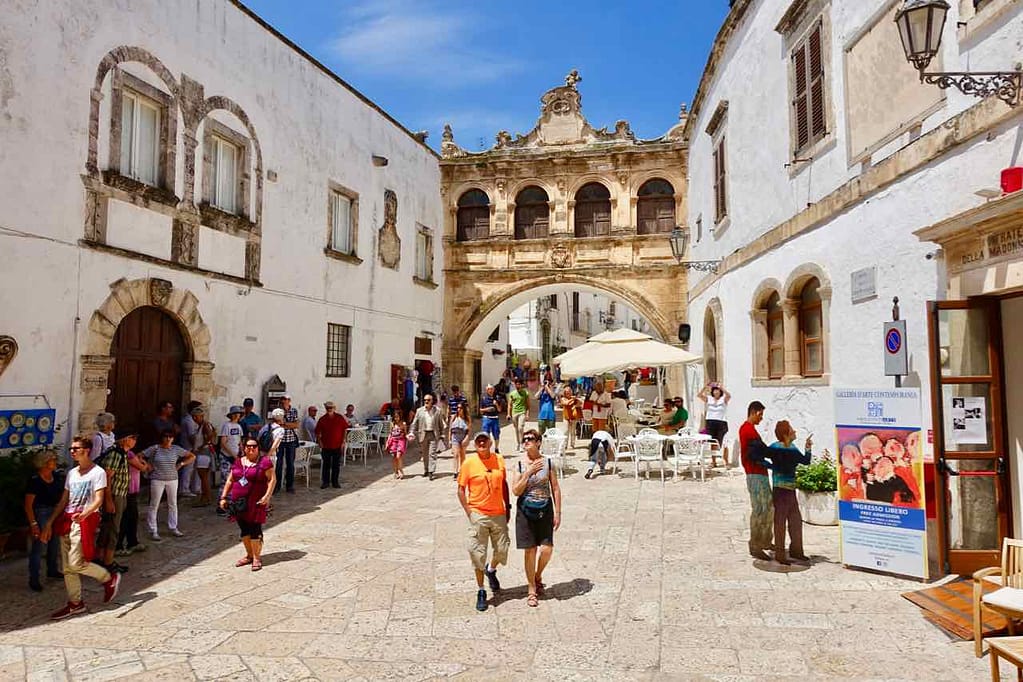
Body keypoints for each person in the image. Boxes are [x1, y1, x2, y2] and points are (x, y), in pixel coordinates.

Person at [40, 436, 121, 620]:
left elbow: (98, 499)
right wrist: (50, 522)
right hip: (68, 519)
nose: (72, 451)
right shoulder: (72, 473)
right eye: (71, 448)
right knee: (68, 567)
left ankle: (108, 578)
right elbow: (64, 500)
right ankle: (75, 604)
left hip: (84, 519)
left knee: (77, 562)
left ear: (87, 450)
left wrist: (85, 513)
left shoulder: (98, 472)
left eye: (76, 448)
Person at [457, 432, 510, 612]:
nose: (481, 443)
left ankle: (492, 569)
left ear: (490, 442)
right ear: (475, 444)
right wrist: (469, 512)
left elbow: (504, 484)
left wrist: (508, 506)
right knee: (477, 553)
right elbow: (461, 490)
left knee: (502, 550)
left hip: (498, 513)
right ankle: (481, 590)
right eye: (478, 440)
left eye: (484, 440)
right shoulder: (469, 463)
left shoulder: (499, 459)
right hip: (478, 513)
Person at [512, 429, 562, 607]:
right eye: (524, 439)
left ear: (539, 442)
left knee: (547, 549)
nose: (526, 441)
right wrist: (528, 472)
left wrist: (558, 512)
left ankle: (538, 574)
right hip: (526, 510)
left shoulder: (548, 462)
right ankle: (531, 588)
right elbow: (516, 490)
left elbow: (555, 487)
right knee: (530, 550)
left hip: (545, 509)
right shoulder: (519, 463)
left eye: (530, 439)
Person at [219, 437, 276, 571]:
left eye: (254, 446)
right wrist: (223, 497)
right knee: (244, 529)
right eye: (248, 446)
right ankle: (249, 555)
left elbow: (272, 480)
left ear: (258, 448)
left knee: (255, 529)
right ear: (244, 448)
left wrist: (267, 496)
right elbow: (230, 480)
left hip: (256, 502)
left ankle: (256, 558)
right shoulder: (239, 462)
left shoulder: (264, 462)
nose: (251, 448)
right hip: (238, 502)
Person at [765, 421, 812, 565]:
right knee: (786, 523)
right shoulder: (786, 448)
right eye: (792, 429)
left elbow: (804, 461)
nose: (795, 431)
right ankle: (783, 554)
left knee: (792, 521)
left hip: (787, 490)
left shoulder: (787, 448)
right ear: (786, 434)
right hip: (782, 491)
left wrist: (771, 466)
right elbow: (806, 461)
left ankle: (795, 551)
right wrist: (808, 450)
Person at [142, 429, 195, 541]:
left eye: (170, 437)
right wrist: (147, 466)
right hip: (157, 479)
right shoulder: (155, 449)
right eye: (166, 436)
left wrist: (181, 463)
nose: (168, 439)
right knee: (154, 504)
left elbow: (191, 456)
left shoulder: (176, 449)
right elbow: (139, 456)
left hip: (172, 479)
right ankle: (153, 529)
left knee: (173, 503)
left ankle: (173, 526)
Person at [95, 428, 134, 574]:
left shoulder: (121, 454)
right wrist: (109, 500)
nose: (134, 441)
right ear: (125, 439)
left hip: (120, 494)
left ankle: (99, 556)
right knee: (113, 528)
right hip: (115, 495)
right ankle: (108, 560)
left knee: (107, 527)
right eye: (132, 437)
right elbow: (107, 477)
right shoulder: (116, 454)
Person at [24, 450, 63, 592]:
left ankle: (52, 570)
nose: (55, 462)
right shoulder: (35, 480)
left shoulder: (56, 476)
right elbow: (28, 504)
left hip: (55, 511)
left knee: (54, 544)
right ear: (45, 462)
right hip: (40, 512)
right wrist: (33, 523)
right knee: (39, 546)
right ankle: (34, 579)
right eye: (53, 459)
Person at [739, 401, 772, 561]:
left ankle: (765, 540)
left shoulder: (751, 430)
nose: (761, 418)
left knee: (768, 507)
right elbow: (759, 450)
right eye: (760, 415)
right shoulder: (747, 430)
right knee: (759, 508)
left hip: (760, 473)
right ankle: (755, 545)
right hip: (755, 474)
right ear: (754, 412)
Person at [117, 438, 150, 556]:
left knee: (131, 517)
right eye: (133, 439)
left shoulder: (126, 453)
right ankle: (119, 545)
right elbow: (142, 467)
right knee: (126, 518)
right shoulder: (128, 454)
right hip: (128, 489)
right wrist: (144, 463)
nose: (135, 441)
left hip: (132, 489)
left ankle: (132, 542)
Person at [409, 394, 446, 480]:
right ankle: (426, 469)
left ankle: (431, 471)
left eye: (428, 400)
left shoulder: (437, 411)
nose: (426, 401)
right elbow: (414, 423)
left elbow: (441, 424)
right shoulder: (419, 411)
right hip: (423, 434)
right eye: (425, 400)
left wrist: (442, 435)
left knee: (432, 453)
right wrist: (411, 432)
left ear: (432, 401)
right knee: (425, 454)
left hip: (433, 434)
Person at [314, 401, 346, 489]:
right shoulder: (322, 419)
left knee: (336, 465)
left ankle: (335, 482)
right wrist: (320, 442)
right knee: (326, 465)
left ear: (334, 408)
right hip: (326, 446)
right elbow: (317, 432)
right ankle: (326, 482)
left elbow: (344, 429)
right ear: (326, 409)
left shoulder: (340, 418)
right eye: (328, 408)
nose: (329, 409)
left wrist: (343, 441)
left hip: (337, 445)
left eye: (331, 408)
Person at [699, 383, 731, 464]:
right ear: (712, 392)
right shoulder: (709, 399)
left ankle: (726, 461)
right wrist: (705, 387)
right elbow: (699, 395)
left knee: (724, 442)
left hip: (721, 422)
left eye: (718, 390)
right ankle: (714, 462)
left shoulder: (723, 399)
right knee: (712, 442)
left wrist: (722, 388)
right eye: (715, 390)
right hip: (710, 422)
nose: (716, 392)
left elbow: (729, 395)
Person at [219, 406, 245, 488]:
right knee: (226, 479)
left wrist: (242, 451)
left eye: (238, 413)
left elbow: (239, 441)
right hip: (226, 456)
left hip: (236, 456)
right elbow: (223, 443)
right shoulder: (227, 426)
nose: (237, 415)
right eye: (235, 413)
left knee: (238, 477)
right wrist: (233, 454)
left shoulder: (238, 426)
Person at [449, 403, 472, 478]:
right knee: (455, 454)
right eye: (458, 408)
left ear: (463, 409)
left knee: (462, 455)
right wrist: (449, 439)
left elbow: (469, 430)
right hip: (455, 436)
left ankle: (462, 470)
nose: (459, 409)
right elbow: (450, 429)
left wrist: (467, 438)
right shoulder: (454, 417)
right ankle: (455, 472)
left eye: (460, 408)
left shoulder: (467, 418)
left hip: (463, 436)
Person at [507, 378, 530, 451]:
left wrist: (527, 414)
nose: (518, 386)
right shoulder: (512, 394)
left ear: (521, 385)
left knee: (520, 428)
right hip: (514, 413)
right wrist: (508, 414)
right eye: (516, 384)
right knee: (516, 429)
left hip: (522, 412)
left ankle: (521, 444)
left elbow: (528, 405)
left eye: (519, 384)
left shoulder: (525, 393)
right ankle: (518, 443)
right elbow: (509, 405)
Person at [479, 384, 502, 450]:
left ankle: (496, 448)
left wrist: (496, 404)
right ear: (486, 390)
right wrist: (487, 409)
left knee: (496, 434)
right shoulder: (483, 398)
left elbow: (500, 410)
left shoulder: (497, 397)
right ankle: (487, 448)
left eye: (491, 389)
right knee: (486, 434)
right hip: (486, 418)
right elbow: (480, 410)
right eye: (489, 389)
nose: (490, 391)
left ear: (494, 390)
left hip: (495, 418)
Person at [385, 415, 409, 479]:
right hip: (393, 441)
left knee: (398, 456)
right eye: (395, 417)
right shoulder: (392, 424)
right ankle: (395, 472)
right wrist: (387, 442)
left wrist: (408, 437)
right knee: (394, 457)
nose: (396, 418)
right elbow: (390, 433)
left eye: (397, 417)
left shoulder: (403, 424)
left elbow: (406, 433)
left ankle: (401, 470)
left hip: (401, 441)